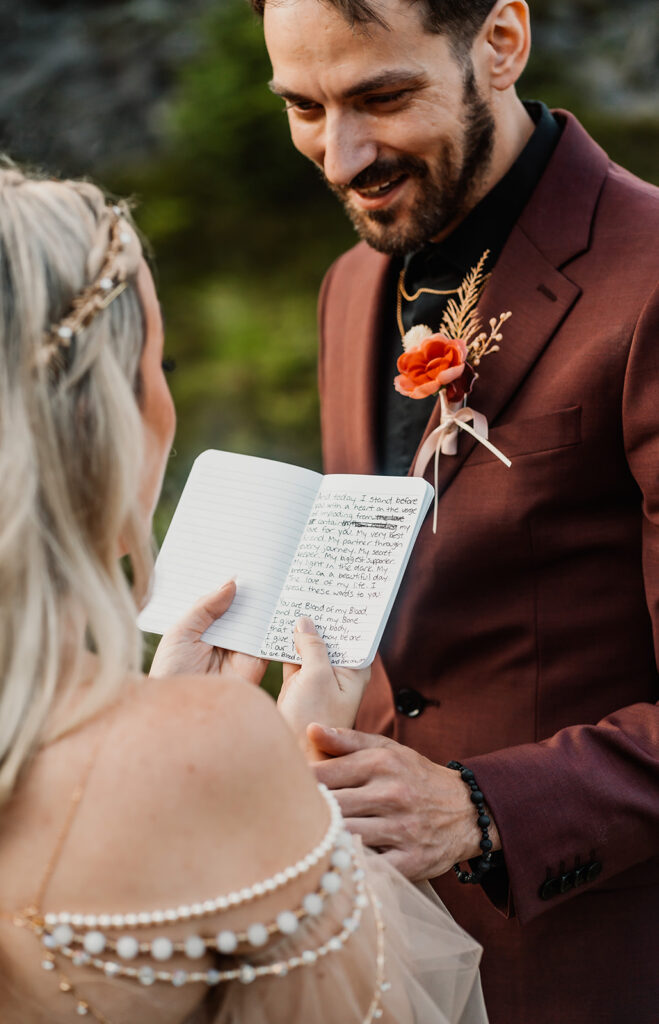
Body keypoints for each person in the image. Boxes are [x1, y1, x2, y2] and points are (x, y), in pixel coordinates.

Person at [0, 158, 489, 1024]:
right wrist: (289, 774)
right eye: (155, 360)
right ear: (108, 413)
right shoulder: (221, 749)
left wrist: (162, 714)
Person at [250, 0, 659, 1021]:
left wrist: (478, 809)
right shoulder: (351, 286)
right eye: (301, 107)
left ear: (500, 42)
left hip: (594, 965)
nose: (340, 157)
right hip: (372, 957)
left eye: (380, 98)